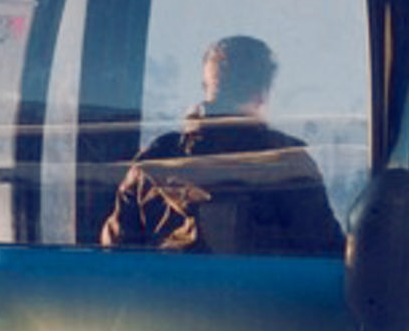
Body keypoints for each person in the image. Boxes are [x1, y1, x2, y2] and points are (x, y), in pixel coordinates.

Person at [101, 34, 344, 255]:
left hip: (167, 302)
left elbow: (115, 256)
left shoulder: (152, 164)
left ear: (206, 88)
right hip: (263, 302)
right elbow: (325, 253)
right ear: (262, 93)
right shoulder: (287, 163)